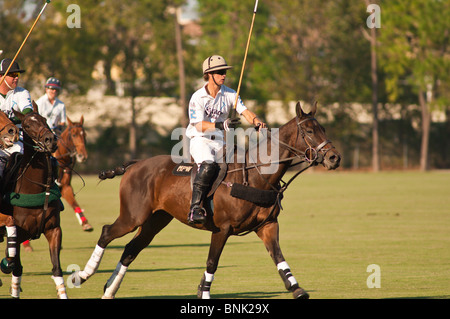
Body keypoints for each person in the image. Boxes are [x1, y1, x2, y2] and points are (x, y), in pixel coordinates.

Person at [186, 55, 266, 224]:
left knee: (241, 163)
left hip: (219, 142)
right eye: (220, 72)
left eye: (224, 72)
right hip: (200, 140)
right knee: (208, 165)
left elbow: (244, 111)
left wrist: (256, 121)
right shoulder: (197, 97)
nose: (224, 75)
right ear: (209, 74)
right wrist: (221, 125)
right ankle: (194, 209)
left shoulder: (230, 94)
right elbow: (199, 125)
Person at [0, 58, 33, 266]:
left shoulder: (22, 94)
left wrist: (17, 120)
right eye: (12, 75)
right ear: (2, 76)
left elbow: (28, 113)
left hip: (16, 143)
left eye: (18, 74)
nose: (16, 78)